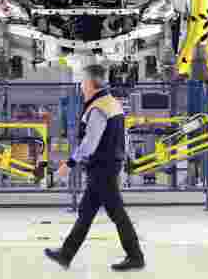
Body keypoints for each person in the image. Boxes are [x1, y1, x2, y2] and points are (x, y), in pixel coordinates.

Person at [45, 64, 145, 272]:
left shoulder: (98, 107)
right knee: (87, 212)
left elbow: (90, 143)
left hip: (102, 168)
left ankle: (135, 256)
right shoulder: (113, 103)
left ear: (90, 83)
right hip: (109, 165)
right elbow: (123, 137)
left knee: (116, 213)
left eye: (83, 81)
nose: (81, 86)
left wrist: (69, 164)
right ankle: (66, 254)